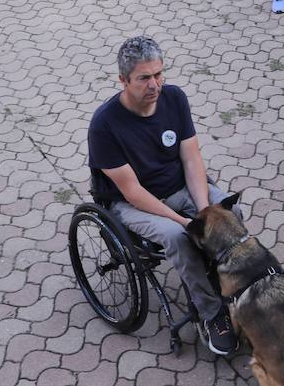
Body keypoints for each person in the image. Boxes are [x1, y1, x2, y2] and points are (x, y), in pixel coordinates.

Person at [87, 36, 239, 357]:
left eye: (159, 74)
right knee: (178, 236)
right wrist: (186, 222)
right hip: (132, 203)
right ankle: (212, 314)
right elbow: (133, 192)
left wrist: (205, 212)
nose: (154, 84)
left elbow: (191, 158)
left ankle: (234, 283)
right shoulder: (104, 125)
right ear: (123, 80)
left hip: (179, 185)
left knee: (227, 212)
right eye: (144, 78)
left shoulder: (174, 99)